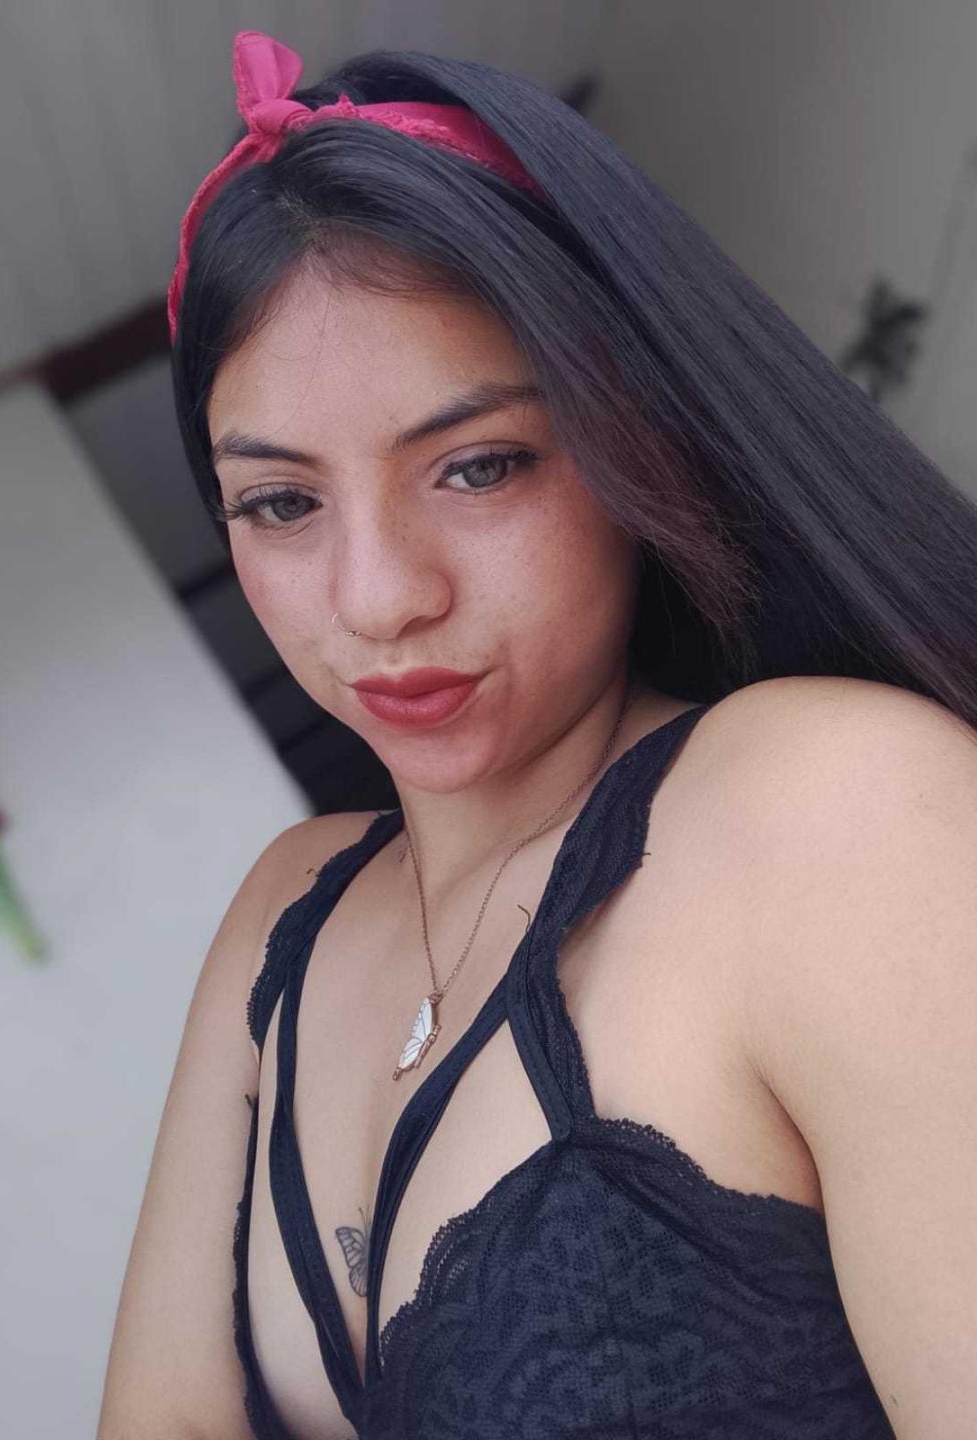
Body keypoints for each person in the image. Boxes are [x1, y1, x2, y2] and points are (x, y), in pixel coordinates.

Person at [97, 30, 977, 1440]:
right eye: (282, 503)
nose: (380, 598)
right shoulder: (280, 919)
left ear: (641, 444)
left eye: (480, 466)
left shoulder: (831, 808)